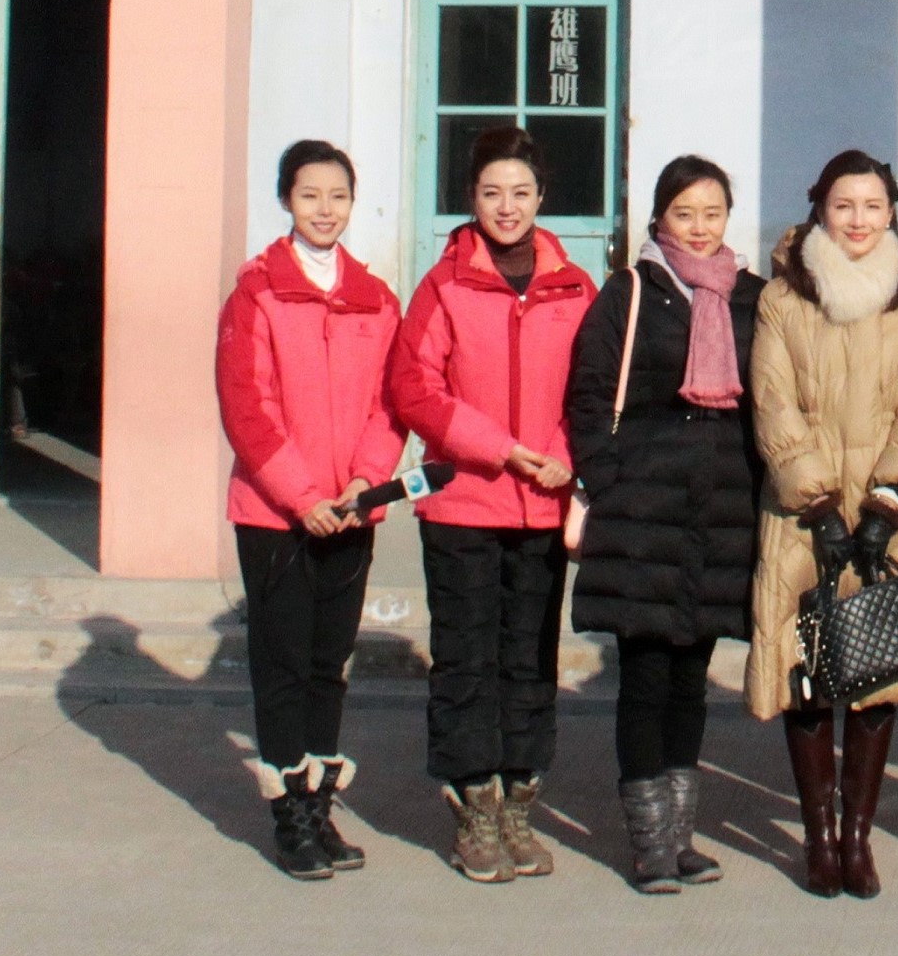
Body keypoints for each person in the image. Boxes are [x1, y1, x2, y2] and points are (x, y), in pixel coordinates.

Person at [745, 149, 898, 899]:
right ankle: (818, 836)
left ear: (891, 212)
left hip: (889, 512)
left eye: (873, 207)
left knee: (879, 673)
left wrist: (887, 500)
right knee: (808, 672)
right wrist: (815, 502)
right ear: (819, 207)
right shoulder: (783, 299)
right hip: (804, 512)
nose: (858, 220)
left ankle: (857, 836)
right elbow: (772, 401)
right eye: (844, 205)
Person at [388, 125, 595, 885]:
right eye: (490, 193)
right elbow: (413, 387)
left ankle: (519, 803)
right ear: (470, 199)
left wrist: (563, 456)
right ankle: (473, 808)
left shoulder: (574, 288)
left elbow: (594, 387)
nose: (507, 207)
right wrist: (500, 448)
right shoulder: (443, 286)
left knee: (530, 660)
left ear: (542, 198)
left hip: (542, 507)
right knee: (467, 659)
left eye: (520, 192)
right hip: (463, 504)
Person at [564, 154, 765, 895]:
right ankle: (649, 844)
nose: (700, 227)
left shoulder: (750, 296)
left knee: (691, 680)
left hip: (721, 513)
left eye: (712, 213)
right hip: (642, 517)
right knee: (645, 677)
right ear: (659, 218)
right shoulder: (631, 292)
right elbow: (589, 393)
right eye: (686, 213)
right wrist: (609, 478)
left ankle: (681, 838)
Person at [214, 139, 407, 880]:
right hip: (276, 518)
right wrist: (302, 498)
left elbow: (391, 405)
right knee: (283, 663)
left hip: (351, 513)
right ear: (285, 201)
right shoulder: (257, 294)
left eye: (338, 196)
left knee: (330, 663)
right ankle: (289, 817)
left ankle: (320, 806)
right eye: (309, 195)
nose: (325, 210)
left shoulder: (376, 299)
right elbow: (248, 406)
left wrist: (364, 482)